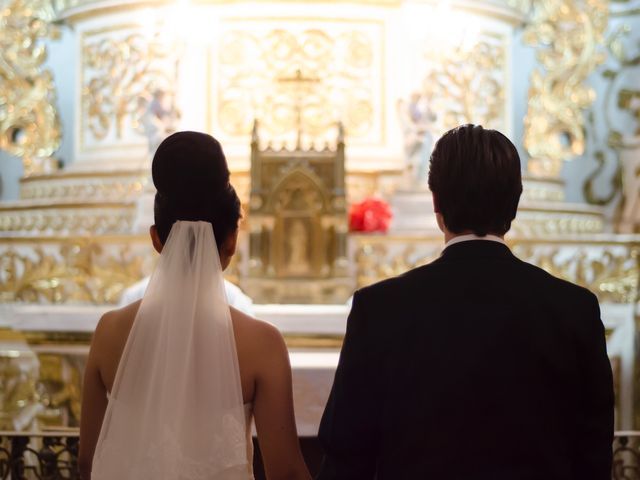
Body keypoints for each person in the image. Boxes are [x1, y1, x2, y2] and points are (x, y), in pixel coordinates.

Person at [317, 124, 614, 479]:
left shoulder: (379, 309)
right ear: (516, 201)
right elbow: (593, 453)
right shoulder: (574, 309)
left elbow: (346, 454)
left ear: (435, 202)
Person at [79, 131, 310, 480]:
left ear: (156, 239)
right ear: (231, 240)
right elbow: (287, 473)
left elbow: (88, 462)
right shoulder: (262, 344)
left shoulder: (109, 331)